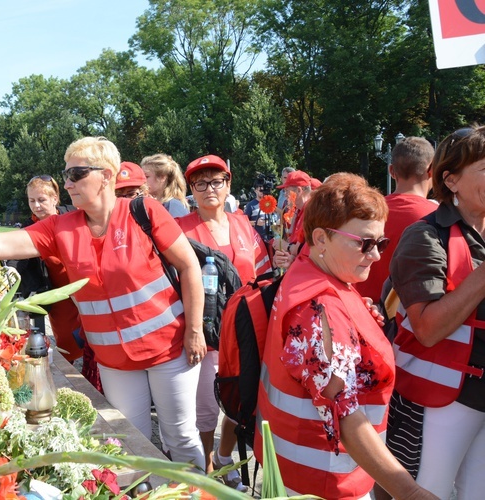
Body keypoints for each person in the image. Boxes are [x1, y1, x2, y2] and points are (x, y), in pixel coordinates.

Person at [0, 137, 207, 469]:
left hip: (170, 350)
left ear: (105, 175)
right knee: (132, 445)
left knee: (180, 438)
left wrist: (194, 329)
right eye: (66, 174)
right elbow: (1, 243)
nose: (66, 183)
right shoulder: (61, 227)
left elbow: (189, 266)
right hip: (114, 362)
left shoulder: (143, 211)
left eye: (76, 174)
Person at [255, 173, 436, 500]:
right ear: (321, 238)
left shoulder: (312, 273)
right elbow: (347, 419)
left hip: (301, 469)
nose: (377, 255)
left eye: (380, 243)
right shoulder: (320, 309)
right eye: (364, 243)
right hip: (324, 479)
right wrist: (409, 492)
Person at [388, 126, 485, 499]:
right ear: (451, 179)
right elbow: (427, 328)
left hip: (477, 398)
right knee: (430, 493)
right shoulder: (426, 236)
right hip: (443, 400)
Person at [177, 154, 271, 490]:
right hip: (207, 329)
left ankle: (225, 454)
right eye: (200, 183)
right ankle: (207, 466)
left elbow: (260, 269)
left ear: (228, 184)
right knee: (205, 404)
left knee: (240, 396)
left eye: (216, 181)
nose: (209, 189)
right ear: (191, 190)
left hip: (245, 326)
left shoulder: (243, 222)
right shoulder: (181, 230)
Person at [9, 175, 84, 363]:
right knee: (68, 341)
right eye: (31, 201)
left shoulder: (74, 214)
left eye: (42, 200)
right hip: (58, 293)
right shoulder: (29, 227)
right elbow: (16, 254)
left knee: (96, 332)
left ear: (55, 199)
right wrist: (10, 272)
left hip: (85, 284)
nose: (36, 205)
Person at [354, 137, 436, 304]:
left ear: (391, 171)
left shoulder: (366, 212)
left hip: (362, 310)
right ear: (431, 171)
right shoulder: (438, 217)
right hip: (408, 319)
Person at [272, 170, 312, 270]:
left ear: (299, 190)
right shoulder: (300, 210)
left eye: (287, 191)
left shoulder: (310, 211)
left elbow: (300, 250)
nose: (285, 195)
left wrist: (285, 246)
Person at [243, 177, 278, 243]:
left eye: (264, 190)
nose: (262, 192)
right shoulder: (250, 205)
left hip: (270, 238)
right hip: (257, 240)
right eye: (260, 190)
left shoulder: (270, 202)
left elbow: (275, 219)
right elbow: (243, 222)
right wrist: (256, 222)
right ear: (255, 190)